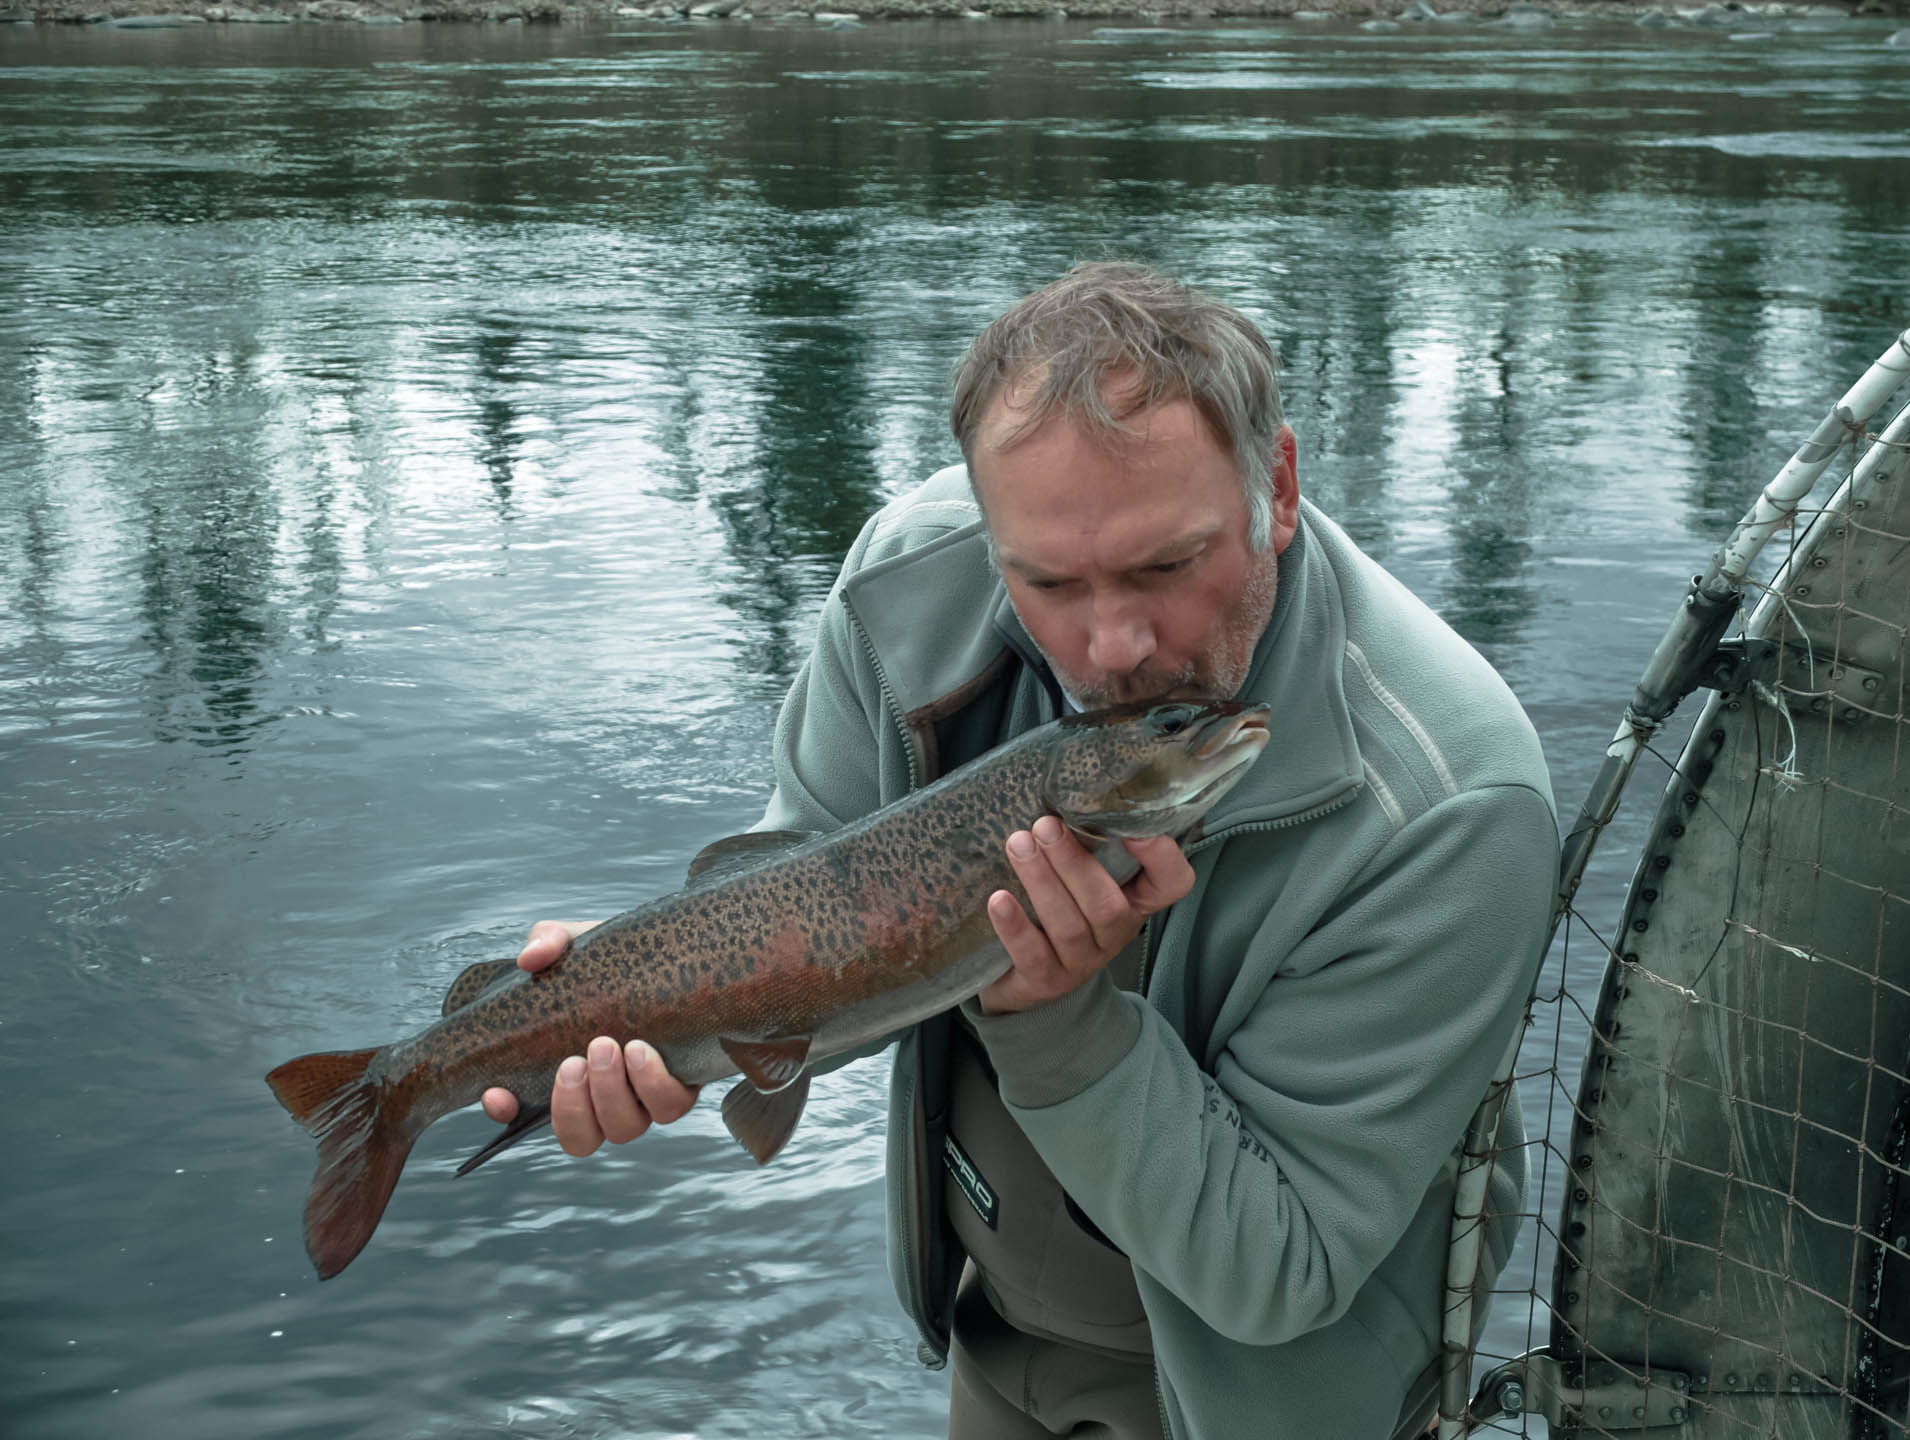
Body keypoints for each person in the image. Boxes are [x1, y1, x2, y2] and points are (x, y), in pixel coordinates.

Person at [482, 263, 1559, 1439]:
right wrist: (653, 991)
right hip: (993, 1337)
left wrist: (1056, 1017)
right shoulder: (908, 586)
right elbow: (810, 900)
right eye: (1047, 582)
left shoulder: (1453, 805)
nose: (1111, 647)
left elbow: (1281, 1268)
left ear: (1280, 488)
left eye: (1166, 567)